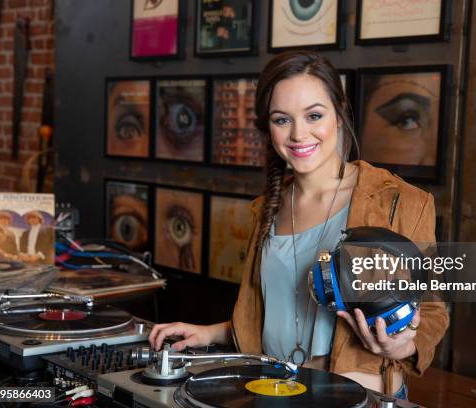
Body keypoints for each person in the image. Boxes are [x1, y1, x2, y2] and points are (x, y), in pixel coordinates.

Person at [149, 51, 449, 398]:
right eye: (282, 120)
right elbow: (277, 312)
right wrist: (209, 333)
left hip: (357, 400)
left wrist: (400, 348)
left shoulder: (401, 201)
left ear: (339, 114)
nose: (298, 134)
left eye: (314, 115)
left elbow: (432, 312)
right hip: (274, 394)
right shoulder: (265, 210)